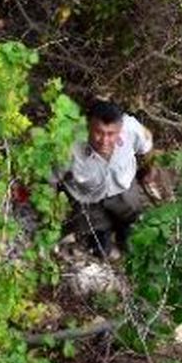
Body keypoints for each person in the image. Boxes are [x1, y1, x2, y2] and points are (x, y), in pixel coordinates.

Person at [57, 99, 154, 258]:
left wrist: (148, 169)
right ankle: (102, 232)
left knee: (131, 237)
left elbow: (147, 145)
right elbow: (51, 179)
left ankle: (123, 231)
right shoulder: (70, 143)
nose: (104, 141)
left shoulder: (131, 128)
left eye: (111, 134)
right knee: (100, 251)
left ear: (120, 129)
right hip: (88, 199)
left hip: (123, 191)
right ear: (88, 126)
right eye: (98, 132)